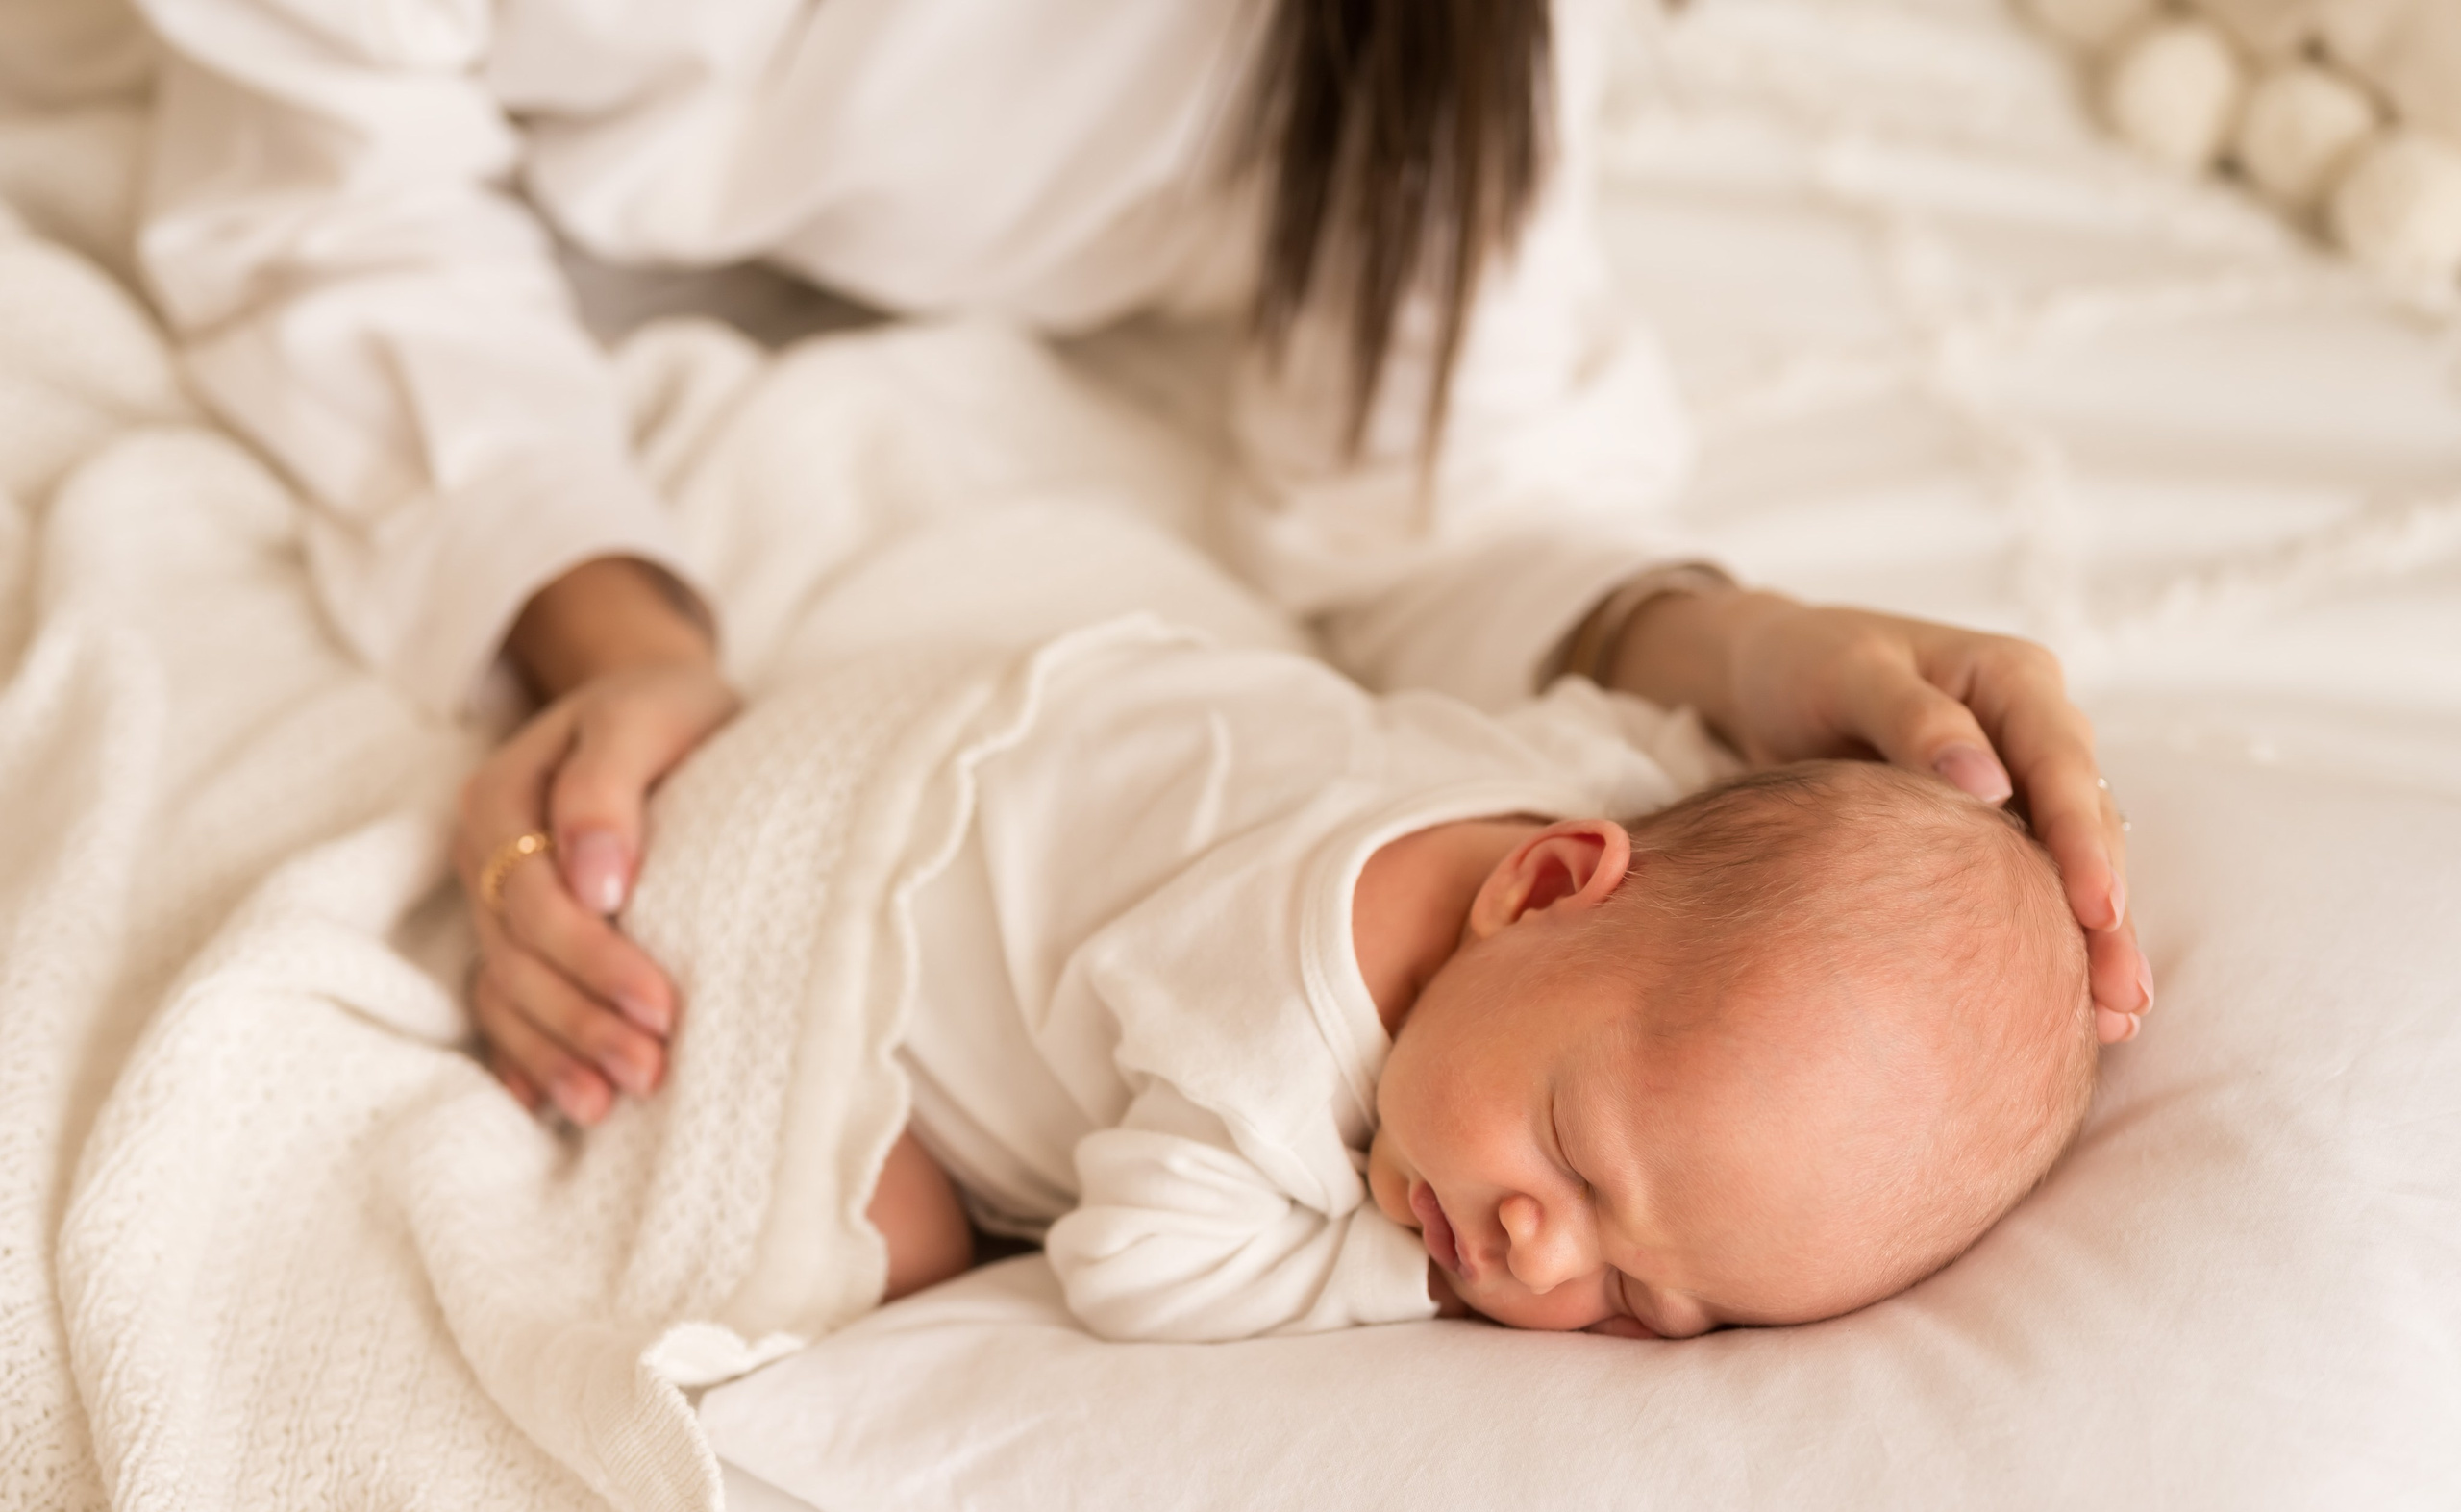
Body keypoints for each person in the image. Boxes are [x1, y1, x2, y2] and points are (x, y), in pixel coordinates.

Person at [131, 0, 2151, 1132]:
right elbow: (333, 220)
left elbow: (1448, 489)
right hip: (476, 237)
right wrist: (611, 636)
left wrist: (1739, 645)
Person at [850, 622, 2094, 1338]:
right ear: (1543, 887)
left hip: (1085, 714)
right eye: (1574, 1154)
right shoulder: (1277, 1036)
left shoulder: (1607, 796)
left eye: (1636, 1301)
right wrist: (1411, 1277)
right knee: (892, 1255)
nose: (1540, 1256)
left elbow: (1721, 791)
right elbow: (1131, 1267)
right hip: (868, 901)